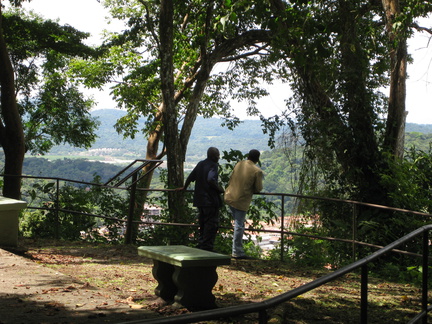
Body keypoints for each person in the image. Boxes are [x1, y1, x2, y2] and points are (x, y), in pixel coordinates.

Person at [182, 147, 224, 252]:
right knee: (211, 224)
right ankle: (207, 246)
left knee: (202, 222)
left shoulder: (201, 164)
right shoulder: (213, 165)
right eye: (217, 155)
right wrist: (219, 189)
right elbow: (210, 179)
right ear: (213, 156)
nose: (218, 157)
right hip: (210, 200)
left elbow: (191, 177)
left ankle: (201, 244)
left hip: (200, 199)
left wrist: (184, 188)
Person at [224, 149, 263, 259]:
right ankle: (237, 251)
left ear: (248, 156)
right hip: (241, 200)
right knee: (239, 225)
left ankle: (236, 250)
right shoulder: (257, 171)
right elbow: (258, 188)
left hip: (229, 196)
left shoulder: (239, 164)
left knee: (237, 224)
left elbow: (231, 178)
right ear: (257, 159)